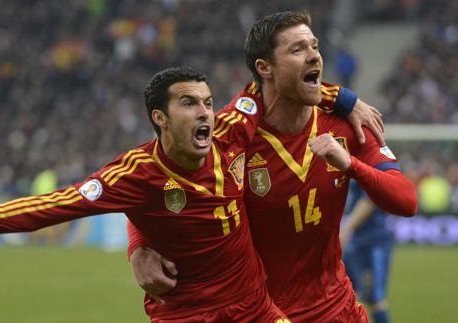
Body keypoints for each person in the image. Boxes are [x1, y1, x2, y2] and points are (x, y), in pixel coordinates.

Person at [0, 66, 293, 322]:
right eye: (189, 103)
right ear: (160, 118)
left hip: (256, 309)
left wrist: (344, 102)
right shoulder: (136, 174)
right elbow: (56, 205)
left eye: (207, 103)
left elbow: (275, 74)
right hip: (188, 316)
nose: (205, 112)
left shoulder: (231, 129)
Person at [127, 10, 418, 323]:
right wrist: (139, 247)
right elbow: (160, 180)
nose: (313, 57)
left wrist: (350, 165)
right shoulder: (231, 136)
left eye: (315, 46)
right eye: (297, 49)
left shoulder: (349, 123)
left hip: (335, 309)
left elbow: (405, 200)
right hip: (258, 312)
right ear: (264, 68)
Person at [341, 181, 394, 323]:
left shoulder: (371, 164)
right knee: (345, 294)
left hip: (373, 242)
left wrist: (345, 229)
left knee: (375, 298)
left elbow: (369, 201)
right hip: (357, 240)